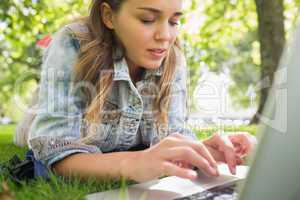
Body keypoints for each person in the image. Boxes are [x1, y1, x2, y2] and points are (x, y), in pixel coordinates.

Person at [23, 0, 256, 183]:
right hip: (42, 117)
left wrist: (207, 151)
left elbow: (169, 137)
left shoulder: (172, 58)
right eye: (147, 19)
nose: (165, 36)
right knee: (27, 135)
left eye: (174, 22)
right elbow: (53, 153)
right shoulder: (72, 43)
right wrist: (135, 163)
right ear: (108, 16)